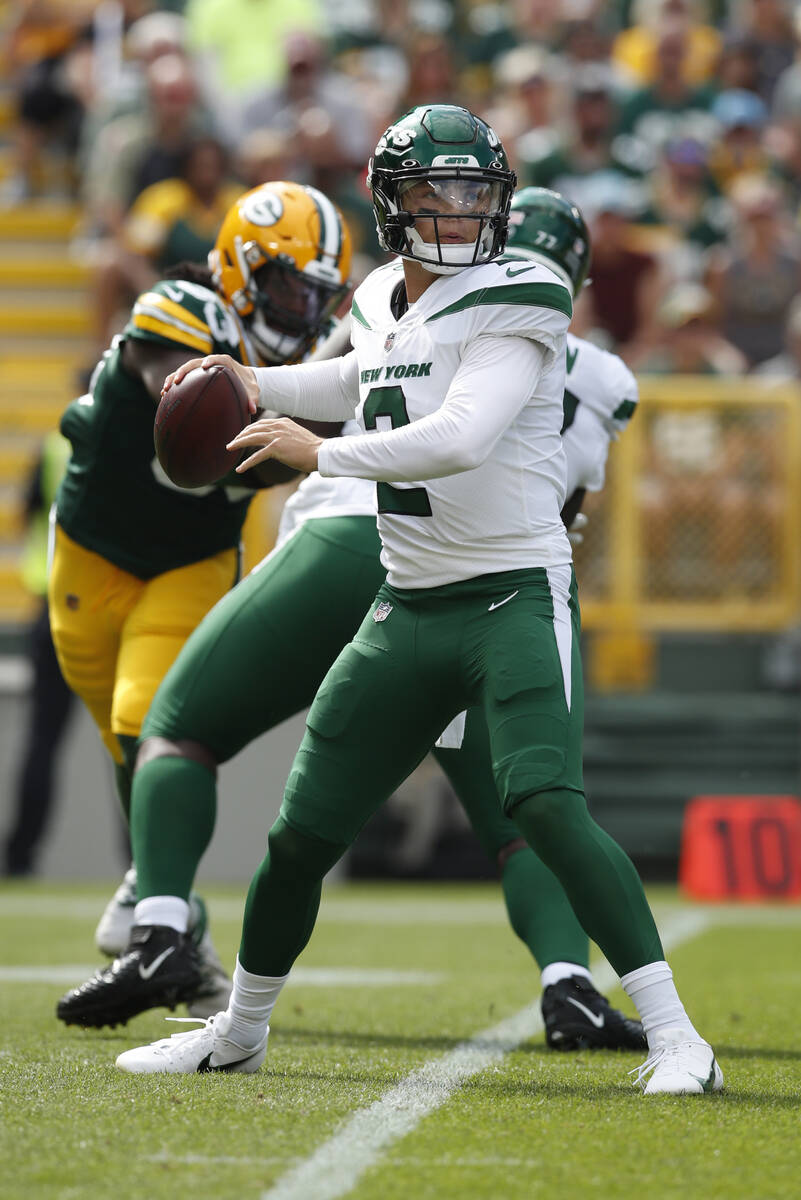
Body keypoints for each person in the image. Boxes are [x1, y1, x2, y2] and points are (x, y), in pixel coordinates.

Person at [98, 106, 722, 1094]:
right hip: (407, 603)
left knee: (545, 807)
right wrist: (253, 383)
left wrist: (320, 455)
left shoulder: (523, 289)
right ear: (391, 204)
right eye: (438, 190)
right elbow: (362, 375)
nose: (459, 209)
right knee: (299, 836)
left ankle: (679, 1036)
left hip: (508, 598)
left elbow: (462, 434)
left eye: (475, 191)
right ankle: (239, 1031)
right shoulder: (384, 295)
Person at [48, 179, 352, 1014]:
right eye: (286, 286)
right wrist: (297, 401)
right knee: (131, 751)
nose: (300, 309)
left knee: (149, 719)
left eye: (315, 295)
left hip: (188, 564)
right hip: (88, 558)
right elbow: (185, 402)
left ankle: (158, 930)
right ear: (240, 269)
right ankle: (168, 915)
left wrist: (324, 404)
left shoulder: (300, 371)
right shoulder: (182, 309)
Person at [3, 432, 76, 876]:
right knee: (130, 741)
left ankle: (19, 858)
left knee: (42, 740)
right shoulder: (136, 436)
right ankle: (140, 864)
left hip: (51, 606)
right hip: (112, 606)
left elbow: (25, 516)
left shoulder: (52, 449)